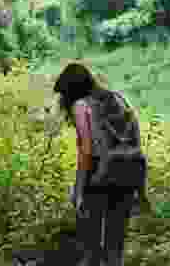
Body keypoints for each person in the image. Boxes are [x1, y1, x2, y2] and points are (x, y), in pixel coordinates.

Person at [54, 63, 148, 266]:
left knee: (91, 248)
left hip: (98, 176)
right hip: (127, 173)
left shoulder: (81, 105)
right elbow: (135, 138)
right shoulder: (118, 97)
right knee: (116, 247)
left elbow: (86, 151)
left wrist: (78, 190)